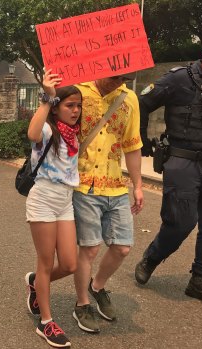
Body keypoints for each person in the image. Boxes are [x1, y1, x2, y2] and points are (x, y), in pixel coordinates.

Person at [134, 37, 202, 309]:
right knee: (181, 221)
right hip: (181, 159)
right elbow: (142, 103)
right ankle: (151, 258)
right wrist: (141, 140)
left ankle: (201, 280)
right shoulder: (178, 79)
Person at [71, 74, 144, 333]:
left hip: (115, 185)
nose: (118, 82)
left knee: (122, 247)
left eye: (125, 78)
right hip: (83, 184)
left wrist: (138, 184)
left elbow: (132, 145)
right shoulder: (78, 92)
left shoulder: (129, 99)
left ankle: (97, 286)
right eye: (115, 77)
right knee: (89, 249)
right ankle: (82, 304)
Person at [24, 68, 81, 348]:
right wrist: (48, 97)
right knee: (46, 263)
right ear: (58, 108)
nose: (76, 110)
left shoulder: (75, 134)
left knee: (70, 263)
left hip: (65, 201)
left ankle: (35, 283)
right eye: (70, 105)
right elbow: (32, 132)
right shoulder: (48, 129)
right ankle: (46, 322)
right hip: (44, 198)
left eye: (78, 106)